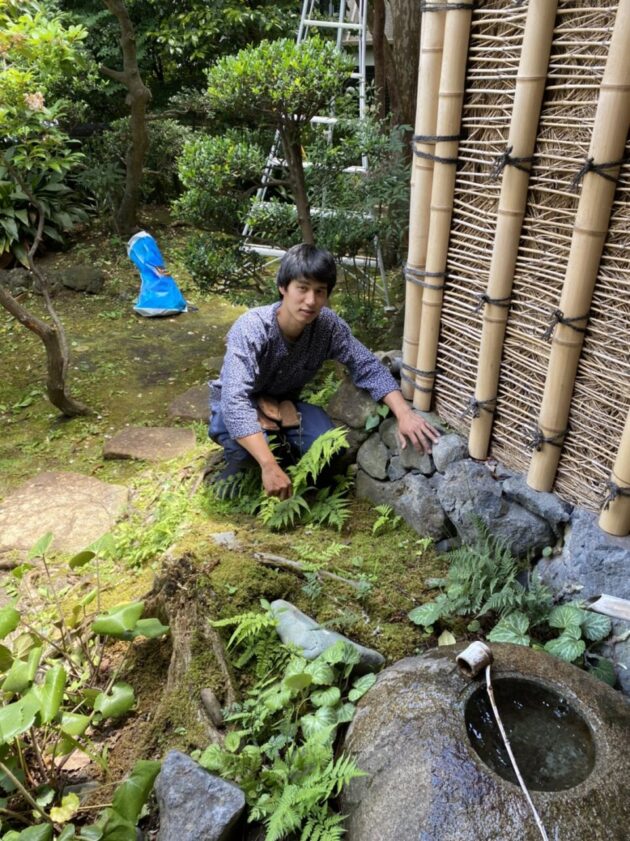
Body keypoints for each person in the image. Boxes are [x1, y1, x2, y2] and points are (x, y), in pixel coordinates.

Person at [209, 243, 439, 499]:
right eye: (302, 288)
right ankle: (239, 470)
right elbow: (233, 398)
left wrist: (404, 414)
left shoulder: (327, 326)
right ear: (283, 287)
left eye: (320, 291)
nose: (311, 301)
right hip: (235, 404)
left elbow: (367, 365)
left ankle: (281, 455)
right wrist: (268, 465)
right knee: (247, 458)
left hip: (284, 404)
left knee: (330, 447)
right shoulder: (253, 327)